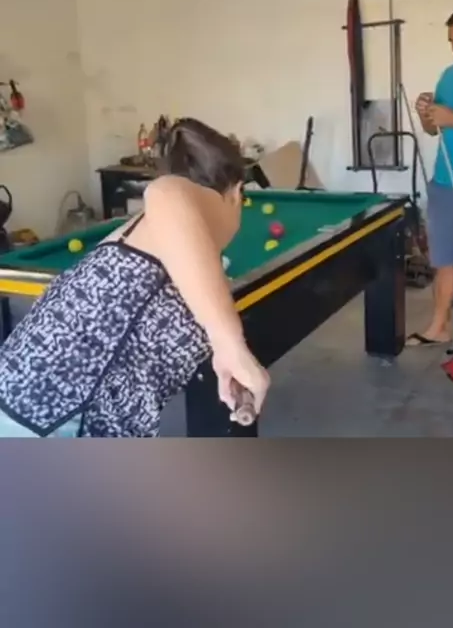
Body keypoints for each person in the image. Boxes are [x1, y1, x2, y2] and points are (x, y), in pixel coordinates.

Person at [0, 118, 270, 436]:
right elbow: (166, 191)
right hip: (46, 417)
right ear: (236, 193)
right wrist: (230, 344)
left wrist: (225, 355)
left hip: (41, 409)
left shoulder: (163, 241)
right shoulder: (180, 200)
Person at [411, 5, 453, 346]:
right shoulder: (449, 76)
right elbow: (433, 129)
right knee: (443, 259)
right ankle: (439, 327)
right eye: (452, 40)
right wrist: (426, 114)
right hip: (445, 183)